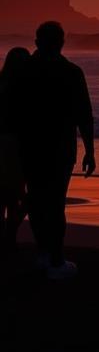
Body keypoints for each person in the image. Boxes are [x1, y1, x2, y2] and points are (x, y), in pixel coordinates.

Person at [16, 21, 95, 279]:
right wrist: (90, 150)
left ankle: (42, 253)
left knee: (37, 199)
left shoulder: (24, 71)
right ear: (61, 42)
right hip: (60, 146)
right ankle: (57, 259)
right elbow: (84, 114)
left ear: (37, 42)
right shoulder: (71, 72)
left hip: (29, 144)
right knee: (55, 202)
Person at [0, 47, 31, 254]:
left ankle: (8, 238)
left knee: (7, 195)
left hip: (8, 145)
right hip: (18, 146)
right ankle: (9, 236)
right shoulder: (29, 88)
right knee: (19, 196)